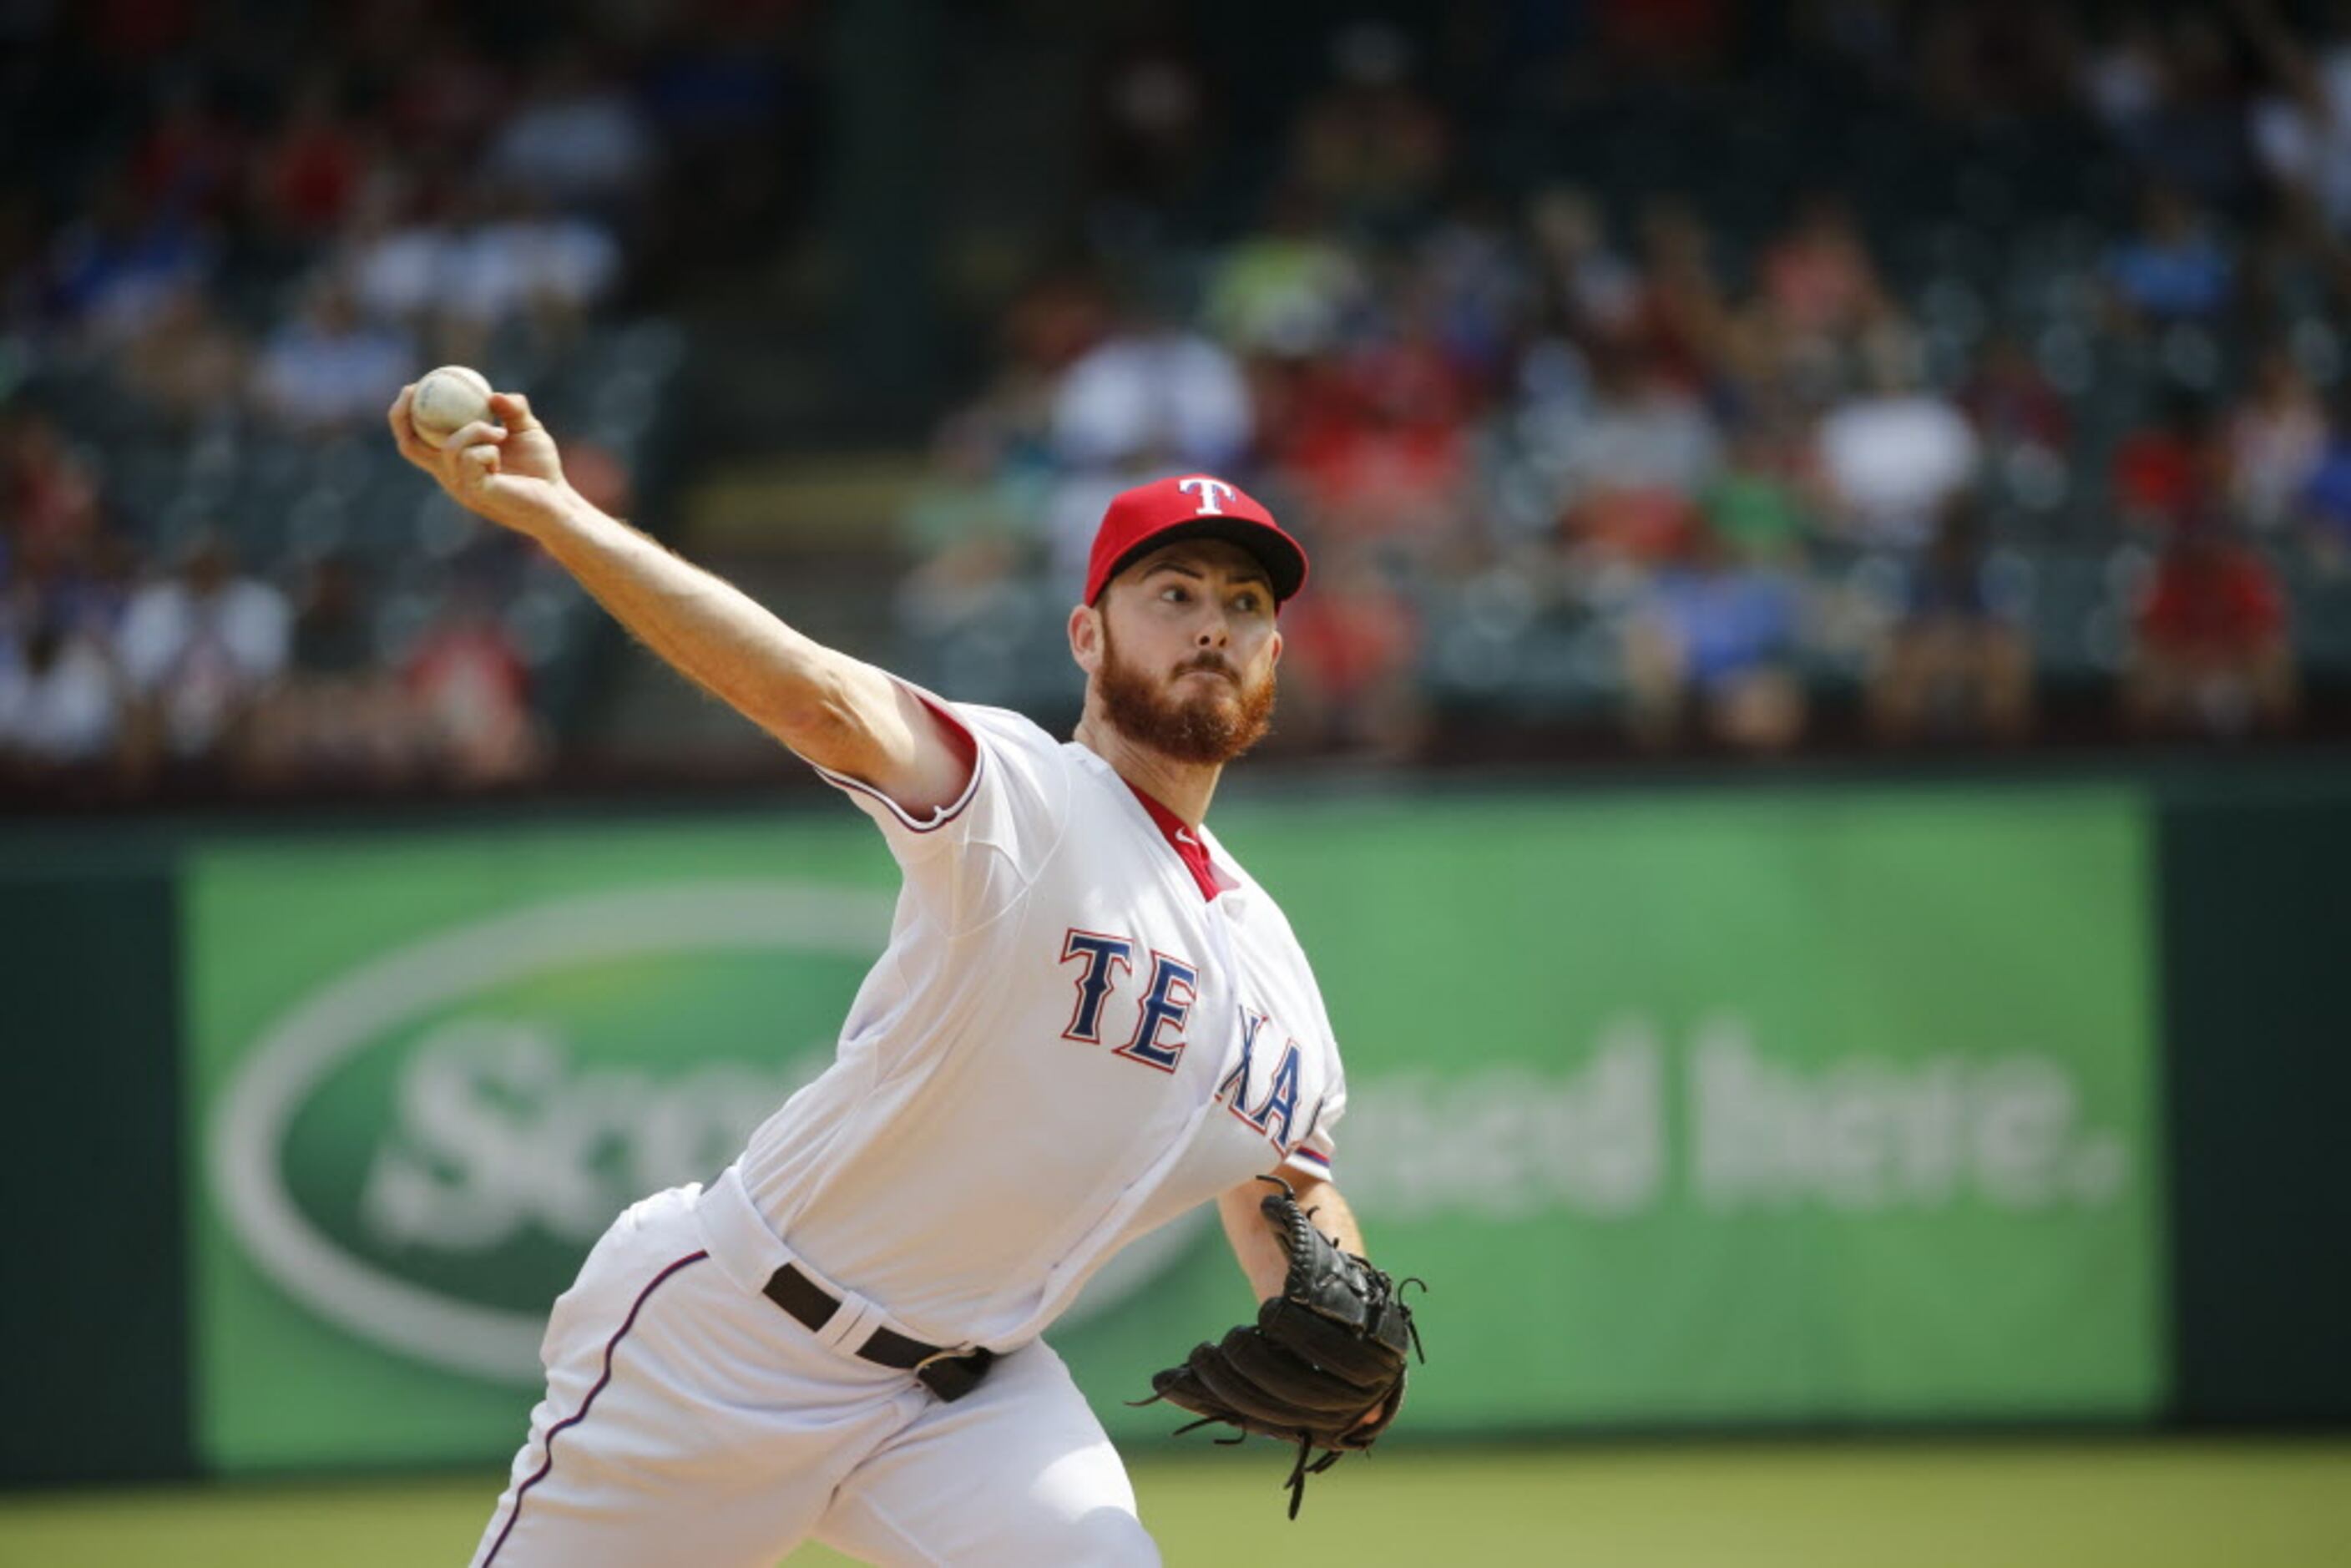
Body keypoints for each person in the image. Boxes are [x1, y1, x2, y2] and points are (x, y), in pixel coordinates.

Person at [388, 382, 1386, 1566]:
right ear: (1087, 634)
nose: (1213, 623)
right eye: (1172, 593)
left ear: (1276, 652)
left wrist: (1349, 1317)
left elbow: (1287, 1182)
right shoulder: (1024, 797)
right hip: (728, 1344)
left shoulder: (1272, 957)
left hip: (970, 1400)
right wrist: (559, 515)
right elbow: (816, 695)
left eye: (1244, 601)